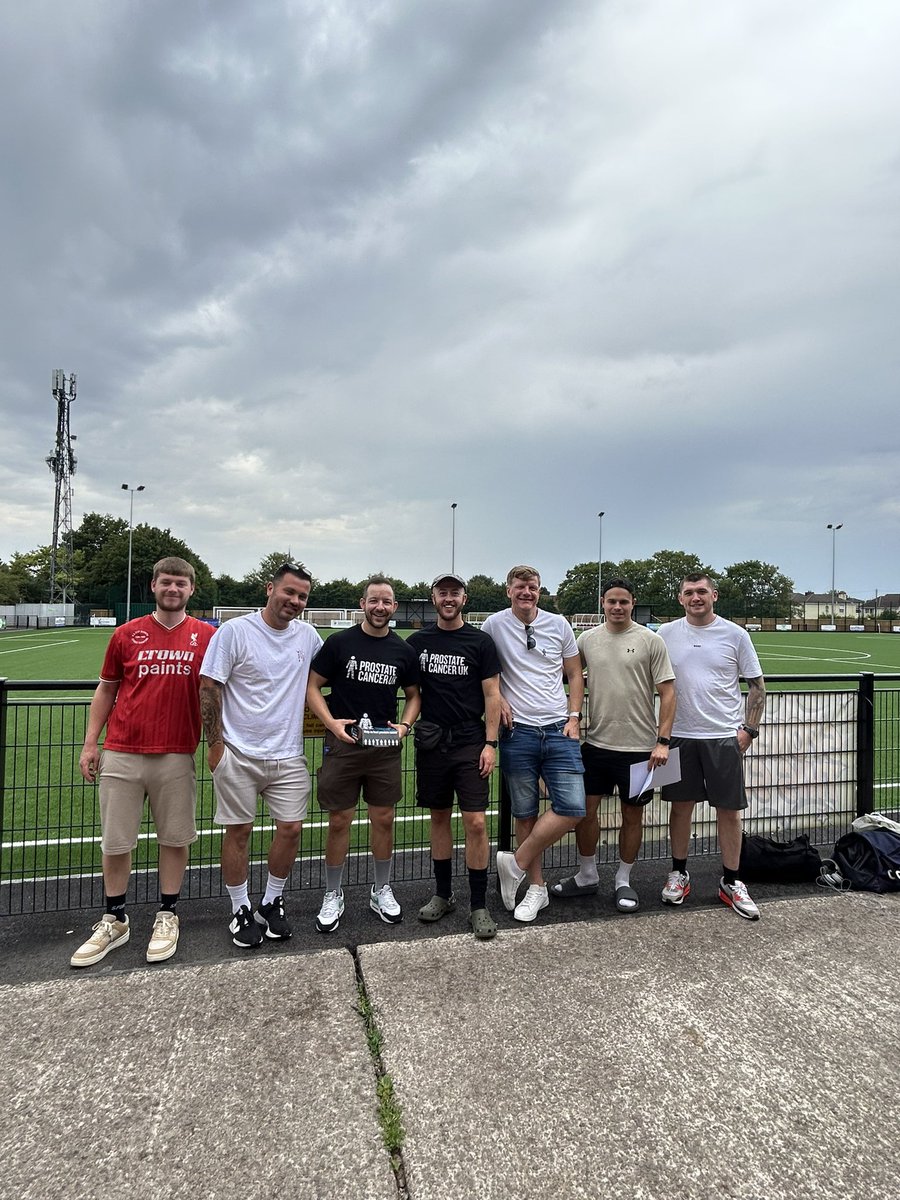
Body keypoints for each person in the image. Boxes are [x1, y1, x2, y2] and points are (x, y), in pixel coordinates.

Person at [71, 556, 216, 967]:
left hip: (176, 753)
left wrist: (215, 742)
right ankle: (115, 919)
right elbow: (106, 689)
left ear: (191, 589)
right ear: (153, 586)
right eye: (166, 582)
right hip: (122, 751)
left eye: (181, 583)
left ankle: (167, 914)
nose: (173, 589)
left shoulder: (206, 636)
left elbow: (213, 693)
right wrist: (90, 744)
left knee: (175, 838)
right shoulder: (125, 633)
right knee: (116, 842)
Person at [199, 561, 322, 948]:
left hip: (288, 755)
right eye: (289, 591)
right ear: (270, 588)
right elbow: (209, 686)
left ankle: (271, 901)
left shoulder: (308, 636)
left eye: (302, 596)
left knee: (291, 829)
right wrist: (215, 745)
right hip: (238, 752)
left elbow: (327, 676)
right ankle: (240, 908)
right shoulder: (235, 631)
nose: (295, 601)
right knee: (238, 832)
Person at [551, 578, 675, 912]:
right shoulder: (587, 639)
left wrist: (663, 742)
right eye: (611, 601)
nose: (617, 607)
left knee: (632, 816)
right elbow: (566, 675)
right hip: (596, 744)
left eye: (623, 601)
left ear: (633, 603)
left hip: (642, 748)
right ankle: (587, 874)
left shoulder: (651, 640)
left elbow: (668, 693)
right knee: (583, 812)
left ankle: (623, 880)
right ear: (602, 603)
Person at [306, 577, 420, 932]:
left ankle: (381, 888)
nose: (380, 607)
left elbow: (414, 695)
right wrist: (331, 723)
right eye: (374, 600)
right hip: (344, 745)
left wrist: (404, 726)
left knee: (383, 818)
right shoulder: (339, 643)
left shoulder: (402, 650)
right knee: (339, 820)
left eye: (386, 601)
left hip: (384, 748)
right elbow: (312, 685)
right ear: (362, 603)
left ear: (394, 606)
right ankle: (332, 892)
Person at [657, 573, 766, 919]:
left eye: (701, 591)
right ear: (680, 598)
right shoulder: (665, 634)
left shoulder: (736, 634)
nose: (696, 597)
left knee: (729, 811)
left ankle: (731, 881)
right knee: (680, 808)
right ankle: (678, 873)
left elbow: (757, 685)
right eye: (689, 592)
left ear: (714, 595)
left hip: (722, 736)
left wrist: (749, 730)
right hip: (678, 735)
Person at [482, 565, 586, 923]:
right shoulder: (493, 625)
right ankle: (536, 889)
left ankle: (515, 863)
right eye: (520, 586)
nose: (526, 592)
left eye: (533, 587)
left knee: (573, 807)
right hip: (518, 731)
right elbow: (485, 672)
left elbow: (574, 673)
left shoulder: (559, 624)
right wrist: (499, 699)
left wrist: (574, 716)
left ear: (539, 591)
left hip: (559, 728)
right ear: (508, 590)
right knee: (524, 813)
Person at [407, 572, 502, 939]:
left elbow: (492, 694)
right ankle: (443, 894)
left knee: (475, 822)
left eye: (455, 593)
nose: (449, 598)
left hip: (469, 741)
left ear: (465, 599)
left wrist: (490, 743)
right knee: (439, 817)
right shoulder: (418, 642)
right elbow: (410, 691)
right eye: (442, 592)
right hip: (432, 742)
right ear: (433, 598)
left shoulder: (480, 642)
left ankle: (478, 904)